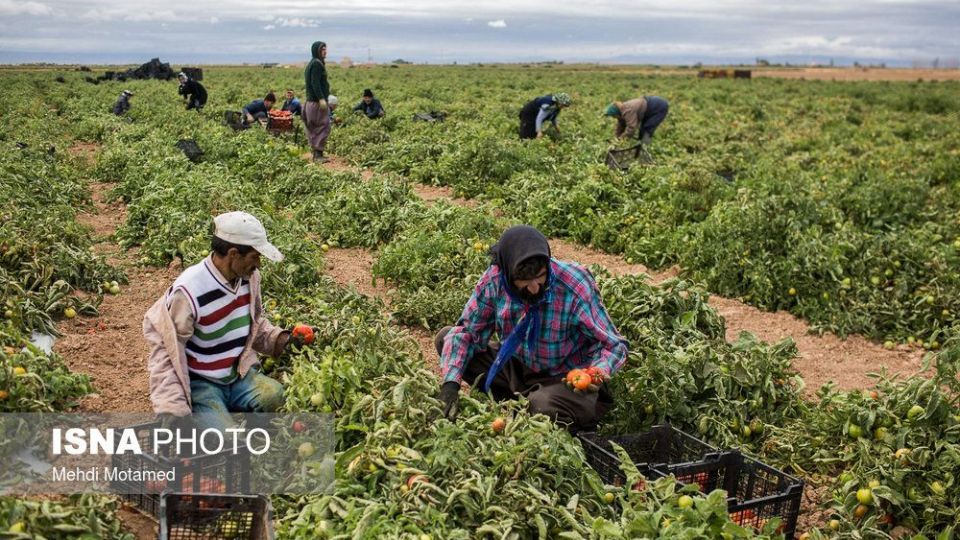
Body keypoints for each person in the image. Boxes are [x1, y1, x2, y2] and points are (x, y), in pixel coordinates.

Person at [436, 225, 628, 433]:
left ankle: (544, 407)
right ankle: (521, 400)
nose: (535, 287)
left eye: (540, 276)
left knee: (541, 406)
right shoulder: (495, 281)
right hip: (518, 367)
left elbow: (614, 345)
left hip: (565, 379)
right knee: (447, 339)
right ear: (507, 273)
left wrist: (595, 373)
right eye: (524, 281)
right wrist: (450, 385)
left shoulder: (574, 284)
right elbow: (466, 333)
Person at [143, 211, 314, 432]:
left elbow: (253, 323)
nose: (259, 264)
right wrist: (173, 408)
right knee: (225, 442)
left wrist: (281, 339)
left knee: (276, 397)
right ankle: (213, 419)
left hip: (237, 374)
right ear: (234, 254)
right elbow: (167, 352)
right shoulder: (188, 292)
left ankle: (249, 431)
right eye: (254, 257)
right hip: (202, 383)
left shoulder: (249, 279)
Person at [304, 41, 331, 163]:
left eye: (325, 49)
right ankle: (318, 155)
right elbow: (315, 83)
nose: (325, 51)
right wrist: (321, 98)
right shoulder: (316, 64)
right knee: (323, 125)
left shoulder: (312, 63)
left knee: (314, 126)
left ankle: (316, 153)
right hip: (316, 102)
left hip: (311, 102)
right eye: (322, 49)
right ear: (317, 51)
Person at [604, 96, 670, 145]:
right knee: (642, 130)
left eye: (613, 116)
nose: (613, 117)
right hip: (648, 107)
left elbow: (631, 128)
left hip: (658, 107)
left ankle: (645, 147)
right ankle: (641, 145)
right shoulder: (621, 112)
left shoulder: (627, 111)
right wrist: (616, 138)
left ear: (616, 112)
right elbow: (621, 126)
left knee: (647, 128)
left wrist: (620, 139)